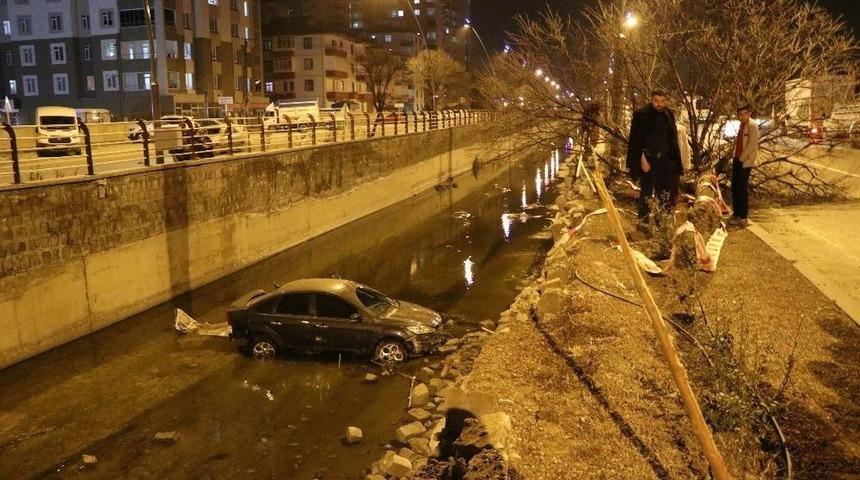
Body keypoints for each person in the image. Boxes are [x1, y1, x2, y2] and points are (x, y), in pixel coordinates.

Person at [626, 90, 683, 223]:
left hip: (665, 160)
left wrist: (673, 161)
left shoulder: (668, 114)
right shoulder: (642, 115)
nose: (659, 104)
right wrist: (642, 160)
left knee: (664, 194)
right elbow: (635, 140)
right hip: (648, 160)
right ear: (651, 100)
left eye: (662, 101)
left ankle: (661, 222)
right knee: (646, 194)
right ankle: (643, 223)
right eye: (657, 101)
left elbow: (672, 138)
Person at [729, 105, 759, 226]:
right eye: (740, 114)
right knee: (734, 187)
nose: (742, 116)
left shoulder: (752, 125)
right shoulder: (742, 125)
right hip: (738, 159)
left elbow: (752, 144)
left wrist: (741, 158)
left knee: (741, 188)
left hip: (745, 161)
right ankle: (736, 213)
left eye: (744, 114)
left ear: (749, 113)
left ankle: (742, 216)